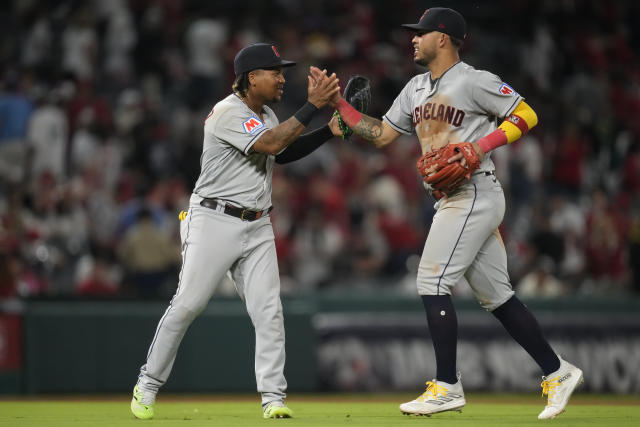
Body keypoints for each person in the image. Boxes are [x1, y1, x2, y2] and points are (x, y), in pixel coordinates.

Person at [328, 7, 583, 420]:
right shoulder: (414, 88)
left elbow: (526, 114)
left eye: (421, 33)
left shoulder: (473, 80)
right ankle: (558, 371)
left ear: (442, 38)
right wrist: (340, 105)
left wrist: (481, 146)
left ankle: (446, 385)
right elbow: (382, 135)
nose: (413, 39)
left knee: (431, 279)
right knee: (498, 297)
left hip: (475, 191)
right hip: (451, 197)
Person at [130, 42, 340, 420]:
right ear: (250, 78)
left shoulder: (267, 114)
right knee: (188, 304)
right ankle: (147, 384)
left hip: (257, 223)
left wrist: (329, 130)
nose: (281, 78)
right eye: (274, 71)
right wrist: (314, 107)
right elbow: (272, 142)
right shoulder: (229, 112)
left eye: (282, 71)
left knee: (269, 311)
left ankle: (273, 398)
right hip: (213, 220)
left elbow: (282, 152)